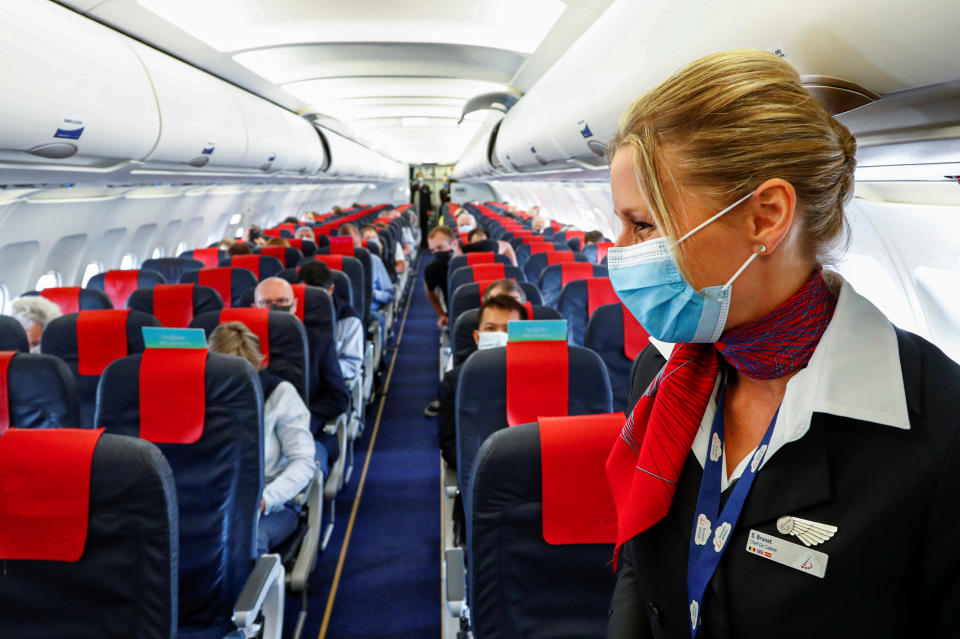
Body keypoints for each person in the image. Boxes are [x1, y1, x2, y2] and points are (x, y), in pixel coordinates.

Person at [604, 50, 960, 638]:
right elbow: (643, 575)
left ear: (767, 217)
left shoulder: (940, 434)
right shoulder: (663, 376)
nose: (616, 249)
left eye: (643, 225)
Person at [208, 321, 316, 555]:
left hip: (270, 502)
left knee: (244, 543)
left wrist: (266, 498)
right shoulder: (200, 396)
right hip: (211, 500)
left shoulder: (280, 395)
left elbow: (303, 462)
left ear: (259, 365)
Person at [253, 278, 350, 466]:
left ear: (294, 305)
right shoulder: (240, 346)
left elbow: (338, 398)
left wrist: (297, 420)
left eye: (282, 301)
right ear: (253, 306)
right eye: (265, 303)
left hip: (307, 432)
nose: (274, 308)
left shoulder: (318, 343)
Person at [437, 295, 528, 470]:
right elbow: (450, 445)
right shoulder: (456, 381)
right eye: (490, 328)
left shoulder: (543, 377)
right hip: (481, 475)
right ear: (477, 337)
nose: (500, 336)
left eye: (509, 330)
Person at [296, 261, 364, 381]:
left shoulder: (349, 320)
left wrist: (316, 370)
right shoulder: (291, 313)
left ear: (331, 289)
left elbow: (351, 365)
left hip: (328, 381)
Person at [339, 224, 394, 310]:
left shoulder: (374, 260)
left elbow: (389, 294)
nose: (354, 250)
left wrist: (374, 294)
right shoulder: (336, 262)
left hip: (370, 309)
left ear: (361, 242)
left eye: (356, 246)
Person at [423, 226, 462, 329]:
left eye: (440, 248)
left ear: (454, 244)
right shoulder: (433, 269)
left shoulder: (475, 252)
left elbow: (506, 246)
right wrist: (441, 314)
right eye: (433, 250)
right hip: (455, 316)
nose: (437, 253)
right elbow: (429, 289)